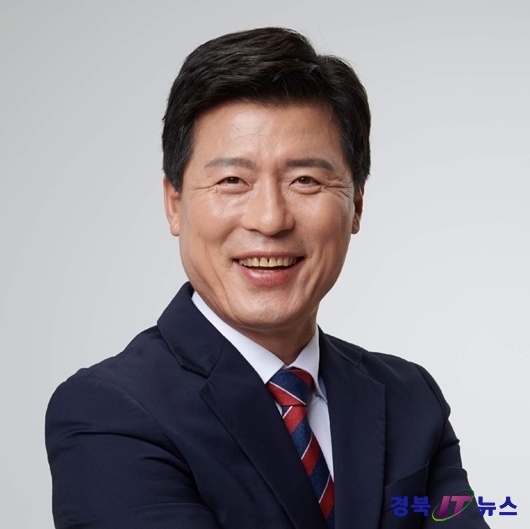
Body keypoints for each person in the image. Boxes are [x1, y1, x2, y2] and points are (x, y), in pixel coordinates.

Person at [45, 27, 489, 529]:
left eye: (306, 180)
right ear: (174, 204)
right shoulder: (110, 410)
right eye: (233, 180)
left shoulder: (409, 397)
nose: (270, 219)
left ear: (357, 204)